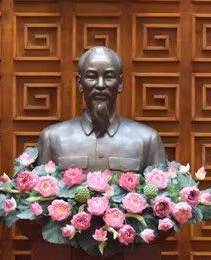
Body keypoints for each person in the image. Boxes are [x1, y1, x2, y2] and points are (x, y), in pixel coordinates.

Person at [36, 46, 168, 173]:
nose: (100, 85)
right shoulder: (53, 138)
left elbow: (161, 193)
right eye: (92, 76)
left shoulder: (146, 139)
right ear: (80, 83)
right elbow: (38, 192)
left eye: (109, 76)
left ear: (120, 83)